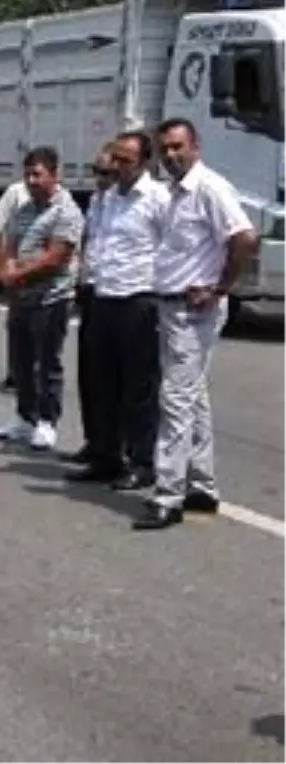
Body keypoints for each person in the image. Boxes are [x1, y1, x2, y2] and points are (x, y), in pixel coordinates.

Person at [133, 118, 256, 531]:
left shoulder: (210, 188)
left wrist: (219, 289)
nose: (171, 155)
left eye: (177, 147)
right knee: (193, 396)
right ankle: (202, 486)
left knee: (175, 399)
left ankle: (168, 495)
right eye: (165, 149)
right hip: (171, 307)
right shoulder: (173, 193)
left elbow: (244, 238)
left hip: (194, 311)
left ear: (195, 146)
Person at [68, 131, 168, 489]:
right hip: (103, 296)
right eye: (116, 159)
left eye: (127, 161)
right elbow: (95, 243)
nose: (119, 167)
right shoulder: (106, 199)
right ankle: (104, 456)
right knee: (101, 383)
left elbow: (172, 246)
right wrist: (86, 283)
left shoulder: (158, 199)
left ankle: (142, 461)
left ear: (145, 162)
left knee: (138, 387)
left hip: (139, 298)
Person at [0, 147, 84, 450]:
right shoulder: (24, 209)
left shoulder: (66, 211)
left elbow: (56, 257)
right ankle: (24, 416)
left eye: (38, 175)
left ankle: (47, 420)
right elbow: (9, 243)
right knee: (21, 361)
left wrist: (18, 274)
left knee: (47, 362)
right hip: (22, 298)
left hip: (51, 298)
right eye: (28, 175)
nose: (31, 181)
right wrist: (5, 270)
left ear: (55, 175)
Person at [62, 143, 116, 467]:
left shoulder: (130, 202)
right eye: (96, 172)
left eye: (107, 172)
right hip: (91, 289)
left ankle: (117, 447)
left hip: (117, 293)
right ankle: (95, 440)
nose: (101, 178)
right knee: (89, 372)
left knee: (114, 377)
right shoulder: (97, 201)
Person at [0, 179, 28, 389]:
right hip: (18, 268)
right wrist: (0, 264)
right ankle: (16, 372)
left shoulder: (61, 197)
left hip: (47, 271)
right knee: (18, 321)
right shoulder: (17, 192)